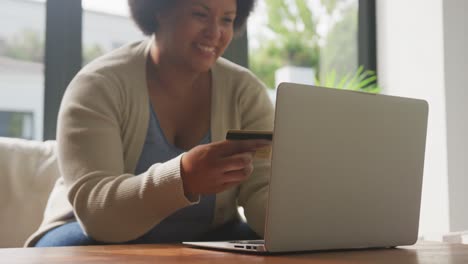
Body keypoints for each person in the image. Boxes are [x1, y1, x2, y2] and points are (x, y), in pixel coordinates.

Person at [26, 0, 274, 247]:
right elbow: (98, 215)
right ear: (159, 11)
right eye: (200, 14)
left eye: (227, 20)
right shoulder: (98, 85)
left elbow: (263, 191)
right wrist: (183, 178)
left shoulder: (246, 92)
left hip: (209, 234)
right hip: (90, 232)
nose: (215, 32)